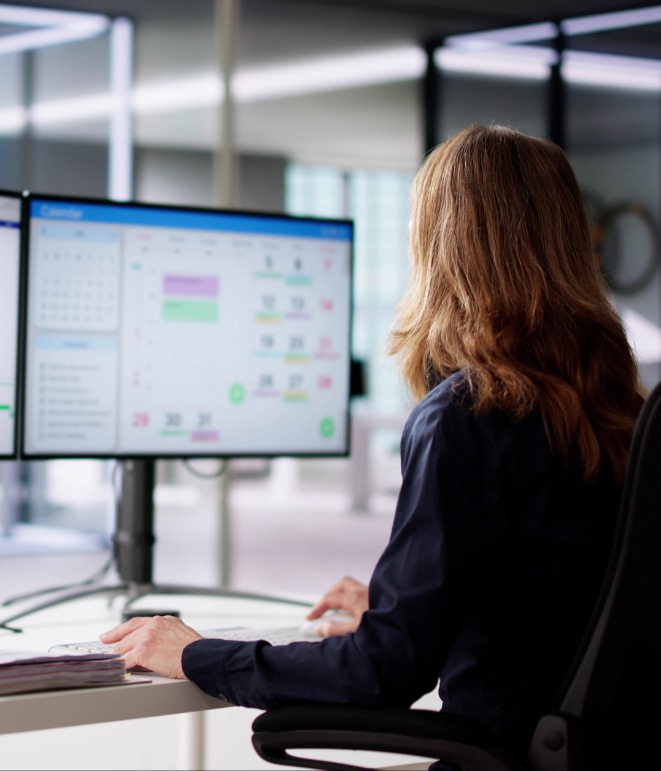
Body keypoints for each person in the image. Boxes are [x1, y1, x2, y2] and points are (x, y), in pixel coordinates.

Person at [100, 124, 645, 761]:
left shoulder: (467, 415)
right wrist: (405, 607)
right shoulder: (618, 410)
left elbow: (383, 674)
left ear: (440, 249)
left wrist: (196, 653)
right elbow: (557, 600)